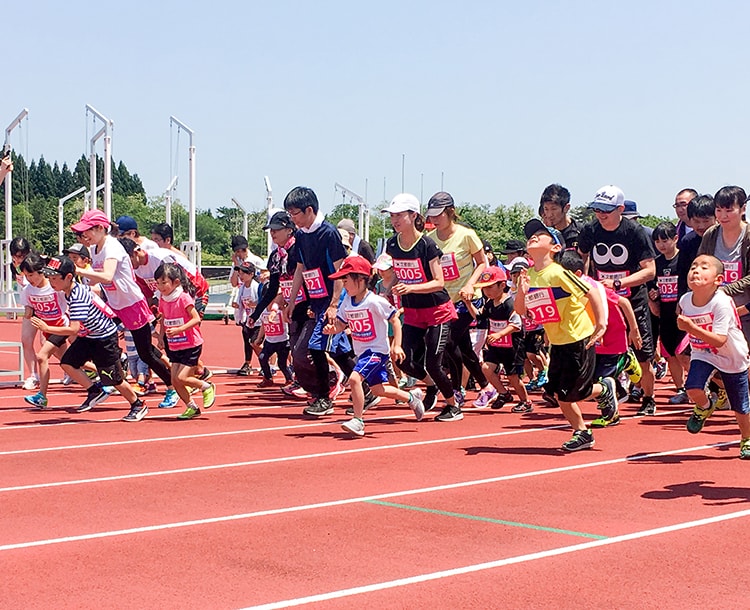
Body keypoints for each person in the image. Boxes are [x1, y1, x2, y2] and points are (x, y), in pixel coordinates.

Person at [515, 219, 615, 451]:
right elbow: (521, 311)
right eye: (531, 236)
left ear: (555, 247)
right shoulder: (528, 275)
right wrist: (521, 292)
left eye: (540, 235)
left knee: (571, 394)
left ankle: (602, 392)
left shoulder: (558, 272)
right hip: (558, 342)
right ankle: (582, 432)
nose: (533, 238)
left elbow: (590, 291)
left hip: (578, 338)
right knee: (561, 394)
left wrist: (601, 323)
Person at [71, 208, 178, 411]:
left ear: (101, 228)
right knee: (97, 337)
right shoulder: (95, 248)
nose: (84, 235)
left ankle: (173, 386)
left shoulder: (112, 247)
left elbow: (108, 276)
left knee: (145, 352)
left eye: (87, 231)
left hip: (131, 304)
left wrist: (76, 269)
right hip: (114, 304)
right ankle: (111, 374)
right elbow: (99, 279)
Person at [282, 187, 367, 417]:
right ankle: (366, 389)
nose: (292, 218)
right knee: (338, 350)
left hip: (333, 300)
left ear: (309, 210)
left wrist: (334, 304)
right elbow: (301, 268)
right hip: (317, 300)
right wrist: (291, 301)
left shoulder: (329, 233)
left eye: (295, 213)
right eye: (289, 213)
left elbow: (340, 269)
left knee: (315, 347)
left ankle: (323, 397)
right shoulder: (300, 235)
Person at [31, 255, 147, 420]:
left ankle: (138, 405)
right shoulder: (69, 290)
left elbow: (73, 329)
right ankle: (94, 391)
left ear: (68, 277)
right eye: (49, 278)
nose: (51, 282)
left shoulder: (77, 296)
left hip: (104, 338)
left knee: (113, 379)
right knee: (68, 363)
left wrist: (46, 328)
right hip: (89, 336)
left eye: (55, 278)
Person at [578, 185, 658, 417]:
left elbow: (650, 271)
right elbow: (581, 258)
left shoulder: (634, 232)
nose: (601, 215)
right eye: (598, 210)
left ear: (620, 209)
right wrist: (585, 283)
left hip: (633, 300)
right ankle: (617, 389)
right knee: (599, 351)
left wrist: (618, 284)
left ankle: (648, 398)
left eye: (607, 210)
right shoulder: (590, 230)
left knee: (643, 353)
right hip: (603, 302)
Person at [324, 255, 425, 436]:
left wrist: (397, 346)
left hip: (377, 351)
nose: (344, 284)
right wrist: (333, 329)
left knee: (355, 379)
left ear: (361, 279)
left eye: (346, 280)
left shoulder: (375, 301)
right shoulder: (347, 302)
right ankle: (411, 397)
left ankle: (358, 420)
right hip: (362, 352)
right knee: (378, 389)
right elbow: (341, 324)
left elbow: (394, 319)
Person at [384, 193, 460, 421]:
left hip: (438, 310)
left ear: (413, 215)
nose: (395, 220)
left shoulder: (427, 245)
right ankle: (432, 385)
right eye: (392, 216)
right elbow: (397, 272)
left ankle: (453, 405)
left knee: (434, 363)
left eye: (399, 215)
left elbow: (439, 282)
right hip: (412, 312)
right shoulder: (392, 243)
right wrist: (386, 291)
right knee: (402, 359)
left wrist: (412, 288)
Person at [425, 191, 495, 409]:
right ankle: (486, 386)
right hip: (443, 300)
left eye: (439, 215)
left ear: (451, 212)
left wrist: (470, 284)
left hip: (465, 301)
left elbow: (483, 263)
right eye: (432, 215)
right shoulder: (429, 240)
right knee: (463, 349)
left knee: (449, 342)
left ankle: (457, 389)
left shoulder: (467, 235)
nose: (435, 219)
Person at [677, 254, 750, 459]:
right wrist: (685, 327)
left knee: (740, 406)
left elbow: (719, 339)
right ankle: (705, 406)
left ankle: (746, 438)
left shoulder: (722, 303)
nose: (696, 270)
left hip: (732, 355)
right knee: (692, 387)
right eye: (693, 266)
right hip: (703, 352)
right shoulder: (685, 300)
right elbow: (683, 322)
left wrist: (691, 328)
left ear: (718, 280)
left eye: (704, 267)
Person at [155, 262, 215, 420]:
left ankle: (206, 386)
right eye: (158, 283)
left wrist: (180, 329)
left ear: (175, 282)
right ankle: (192, 407)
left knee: (182, 377)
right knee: (174, 380)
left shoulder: (183, 298)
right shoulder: (163, 298)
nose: (161, 287)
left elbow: (195, 319)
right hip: (175, 345)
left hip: (191, 344)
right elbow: (164, 319)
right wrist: (161, 337)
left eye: (164, 282)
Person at [471, 265, 531, 412]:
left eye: (490, 287)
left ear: (502, 285)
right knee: (486, 368)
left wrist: (499, 334)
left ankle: (526, 401)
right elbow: (479, 316)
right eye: (484, 288)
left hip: (512, 347)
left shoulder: (510, 304)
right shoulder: (490, 304)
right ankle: (504, 393)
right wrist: (467, 302)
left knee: (513, 377)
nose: (486, 291)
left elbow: (516, 324)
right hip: (496, 347)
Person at [697, 186, 750, 346]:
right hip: (716, 312)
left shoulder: (747, 236)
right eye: (719, 210)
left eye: (729, 210)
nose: (723, 216)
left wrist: (726, 289)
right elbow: (700, 264)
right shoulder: (711, 234)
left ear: (743, 209)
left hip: (745, 311)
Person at [19, 253, 69, 408]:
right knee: (69, 361)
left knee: (42, 356)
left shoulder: (54, 287)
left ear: (42, 272)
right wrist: (29, 312)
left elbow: (67, 301)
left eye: (32, 275)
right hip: (47, 328)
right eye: (26, 276)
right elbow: (28, 309)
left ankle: (42, 396)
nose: (29, 279)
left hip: (60, 326)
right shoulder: (28, 290)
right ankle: (104, 376)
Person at [648, 222, 690, 403]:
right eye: (657, 242)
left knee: (684, 352)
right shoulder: (656, 263)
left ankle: (701, 385)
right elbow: (650, 286)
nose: (661, 245)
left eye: (665, 240)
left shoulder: (685, 260)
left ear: (675, 238)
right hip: (664, 314)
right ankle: (680, 389)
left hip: (683, 314)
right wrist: (653, 297)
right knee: (670, 352)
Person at [10, 236, 40, 390]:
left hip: (46, 305)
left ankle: (74, 370)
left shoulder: (37, 262)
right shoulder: (13, 266)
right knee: (26, 340)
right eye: (16, 255)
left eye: (22, 255)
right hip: (30, 306)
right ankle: (34, 375)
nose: (19, 258)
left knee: (49, 345)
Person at [233, 262, 262, 375]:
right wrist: (237, 307)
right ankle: (247, 363)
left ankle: (265, 363)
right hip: (247, 320)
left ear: (251, 274)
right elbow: (239, 302)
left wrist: (254, 304)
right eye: (239, 273)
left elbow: (262, 301)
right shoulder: (242, 288)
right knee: (247, 342)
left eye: (243, 273)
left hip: (258, 321)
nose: (241, 276)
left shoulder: (257, 287)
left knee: (255, 342)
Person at [257, 303, 294, 388]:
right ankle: (268, 378)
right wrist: (259, 338)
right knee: (262, 358)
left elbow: (287, 320)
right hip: (269, 341)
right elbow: (263, 325)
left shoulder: (281, 311)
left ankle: (289, 379)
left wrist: (284, 309)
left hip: (282, 341)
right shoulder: (264, 311)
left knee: (282, 364)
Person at [538, 183, 583, 251]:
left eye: (554, 209)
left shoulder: (581, 232)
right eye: (546, 209)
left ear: (566, 208)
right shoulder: (543, 236)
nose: (549, 214)